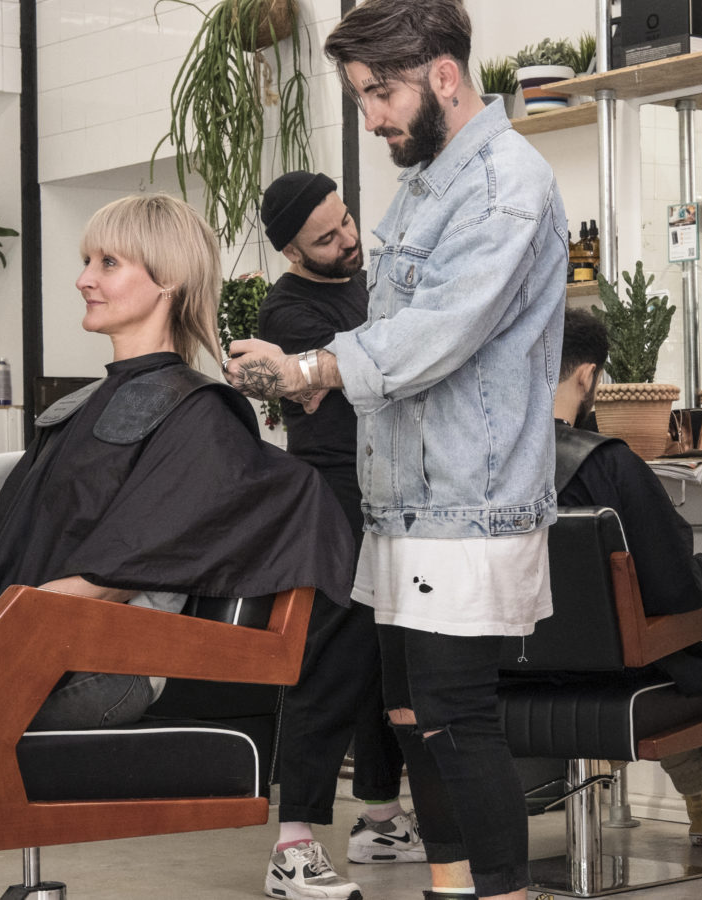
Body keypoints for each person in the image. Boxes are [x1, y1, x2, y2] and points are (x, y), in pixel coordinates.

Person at [0, 194, 356, 886]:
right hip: (27, 640)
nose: (83, 278)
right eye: (86, 260)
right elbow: (32, 546)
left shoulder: (200, 416)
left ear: (168, 280)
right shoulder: (75, 410)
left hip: (101, 664)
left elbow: (117, 571)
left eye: (108, 262)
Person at [224, 1, 568, 897]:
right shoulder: (428, 180)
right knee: (417, 718)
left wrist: (310, 368)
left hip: (471, 494)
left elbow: (436, 334)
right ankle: (452, 886)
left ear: (442, 78)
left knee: (456, 716)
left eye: (381, 94)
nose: (372, 117)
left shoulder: (503, 184)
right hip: (406, 496)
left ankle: (501, 891)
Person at [256, 170, 423, 900]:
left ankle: (382, 819)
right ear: (292, 249)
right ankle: (293, 843)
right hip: (330, 499)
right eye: (326, 237)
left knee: (381, 659)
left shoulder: (364, 283)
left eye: (347, 220)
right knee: (330, 662)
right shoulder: (287, 312)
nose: (348, 238)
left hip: (384, 489)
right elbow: (373, 372)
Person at [552, 308, 702, 845]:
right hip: (610, 665)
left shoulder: (485, 461)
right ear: (588, 376)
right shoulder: (607, 464)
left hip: (502, 668)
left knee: (643, 648)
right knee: (670, 651)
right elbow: (672, 583)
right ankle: (701, 797)